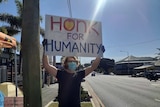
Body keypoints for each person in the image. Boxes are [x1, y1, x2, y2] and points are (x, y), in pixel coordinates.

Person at [42, 39, 105, 107]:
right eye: (70, 61)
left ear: (77, 63)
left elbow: (93, 67)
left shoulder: (79, 75)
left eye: (74, 62)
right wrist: (45, 49)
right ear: (65, 63)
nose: (72, 63)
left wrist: (99, 54)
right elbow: (46, 65)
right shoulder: (60, 74)